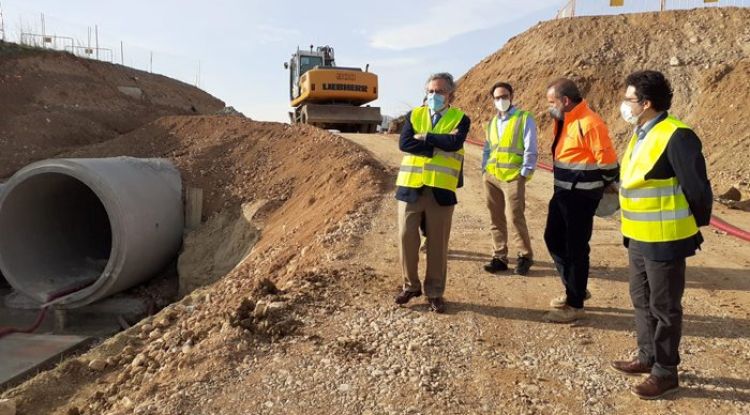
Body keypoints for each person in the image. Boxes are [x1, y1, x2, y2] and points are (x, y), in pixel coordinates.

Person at [610, 70, 712, 400]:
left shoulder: (677, 135)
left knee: (665, 307)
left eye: (629, 100)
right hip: (638, 236)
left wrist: (689, 230)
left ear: (647, 103)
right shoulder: (641, 133)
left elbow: (697, 188)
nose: (624, 105)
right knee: (641, 301)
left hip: (665, 239)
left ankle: (666, 371)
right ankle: (647, 356)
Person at [543, 78, 619, 323]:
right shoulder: (565, 120)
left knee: (576, 248)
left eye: (552, 102)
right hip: (563, 193)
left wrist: (602, 187)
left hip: (581, 196)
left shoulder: (590, 123)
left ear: (565, 101)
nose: (549, 107)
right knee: (553, 238)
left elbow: (608, 164)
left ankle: (575, 305)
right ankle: (575, 287)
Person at [394, 72, 470, 313]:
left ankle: (435, 292)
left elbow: (454, 144)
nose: (434, 96)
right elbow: (405, 143)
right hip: (411, 187)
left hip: (441, 191)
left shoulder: (461, 118)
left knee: (437, 244)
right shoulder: (414, 115)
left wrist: (425, 137)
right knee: (407, 238)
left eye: (439, 91)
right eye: (430, 91)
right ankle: (411, 286)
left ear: (451, 95)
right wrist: (437, 144)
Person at [481, 81, 537, 276]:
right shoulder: (492, 122)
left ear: (511, 97)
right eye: (497, 97)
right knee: (495, 217)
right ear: (493, 100)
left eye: (504, 96)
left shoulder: (524, 118)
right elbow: (488, 148)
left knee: (515, 216)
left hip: (513, 176)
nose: (501, 100)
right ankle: (499, 257)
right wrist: (484, 170)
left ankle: (524, 256)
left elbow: (531, 147)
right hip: (492, 175)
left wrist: (525, 172)